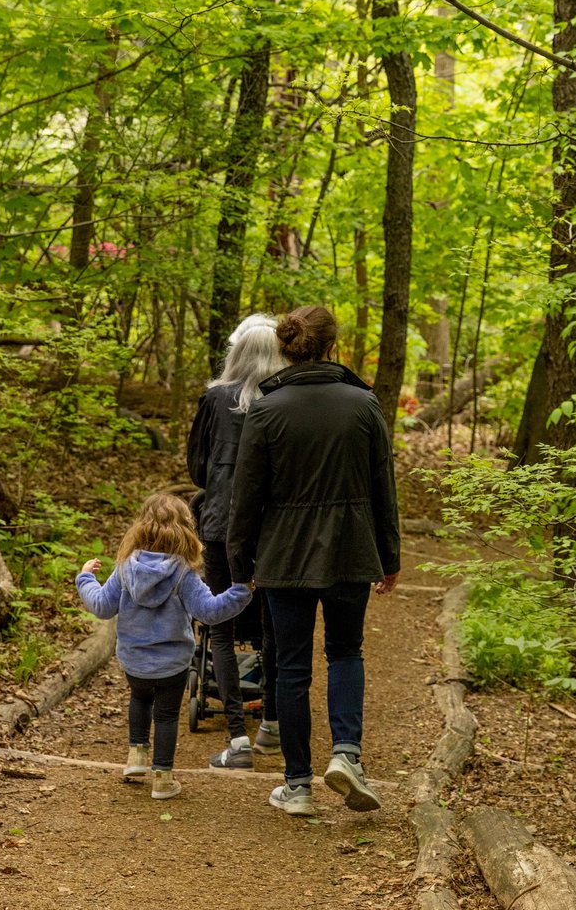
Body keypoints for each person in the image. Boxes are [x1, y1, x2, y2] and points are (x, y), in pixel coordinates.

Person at [226, 305, 401, 817]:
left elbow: (246, 498)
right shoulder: (364, 405)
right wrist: (389, 556)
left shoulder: (266, 409)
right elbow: (382, 489)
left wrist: (241, 564)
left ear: (287, 347)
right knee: (346, 653)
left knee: (293, 668)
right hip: (350, 549)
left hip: (283, 556)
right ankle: (347, 755)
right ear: (331, 346)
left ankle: (298, 784)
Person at [76, 492, 252, 800]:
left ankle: (136, 757)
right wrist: (241, 590)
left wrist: (85, 578)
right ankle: (162, 778)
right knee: (167, 716)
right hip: (172, 662)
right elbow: (209, 611)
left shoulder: (125, 567)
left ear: (141, 528)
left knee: (140, 699)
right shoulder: (183, 572)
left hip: (134, 661)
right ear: (185, 530)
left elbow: (102, 606)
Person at [187, 315, 283, 769]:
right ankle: (272, 725)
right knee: (273, 630)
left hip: (221, 525)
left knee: (219, 629)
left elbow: (197, 467)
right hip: (273, 533)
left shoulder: (214, 399)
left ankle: (236, 738)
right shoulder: (285, 401)